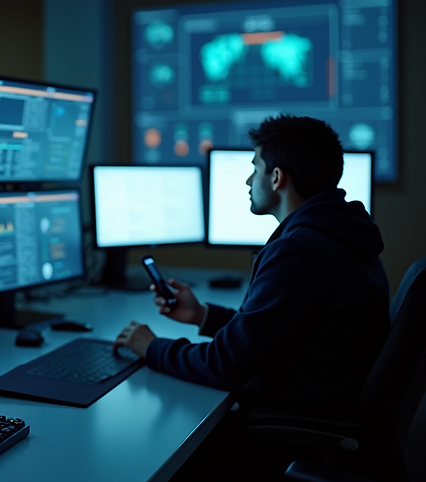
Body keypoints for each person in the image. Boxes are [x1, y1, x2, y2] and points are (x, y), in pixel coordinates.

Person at [114, 115, 390, 479]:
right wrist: (202, 315)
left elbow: (225, 364)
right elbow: (277, 329)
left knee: (145, 451)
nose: (247, 180)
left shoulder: (300, 250)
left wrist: (151, 347)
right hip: (323, 404)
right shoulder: (339, 232)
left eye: (254, 167)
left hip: (295, 429)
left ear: (276, 178)